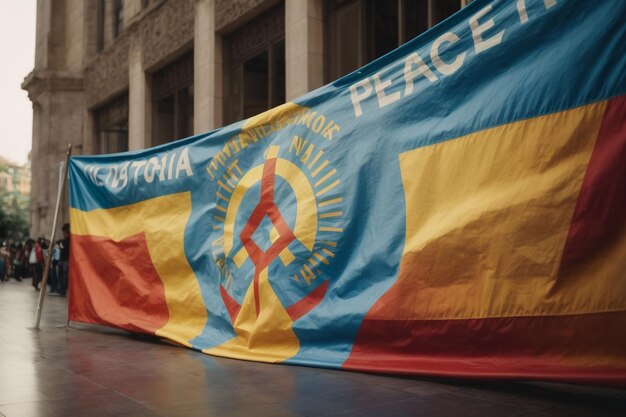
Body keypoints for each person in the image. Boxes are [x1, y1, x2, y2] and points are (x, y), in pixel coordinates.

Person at [58, 223, 70, 297]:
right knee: (63, 276)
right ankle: (62, 290)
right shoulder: (65, 241)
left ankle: (62, 290)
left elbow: (62, 248)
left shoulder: (66, 241)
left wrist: (61, 245)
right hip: (64, 260)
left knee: (63, 276)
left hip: (65, 261)